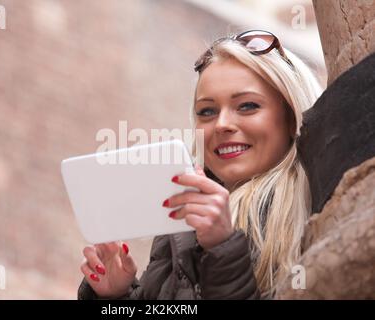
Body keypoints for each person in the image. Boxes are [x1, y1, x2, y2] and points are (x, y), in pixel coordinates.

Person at [77, 30, 323, 299]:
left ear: (292, 117)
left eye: (247, 106)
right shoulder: (181, 223)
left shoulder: (324, 215)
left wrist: (223, 249)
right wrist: (116, 297)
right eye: (207, 111)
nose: (221, 124)